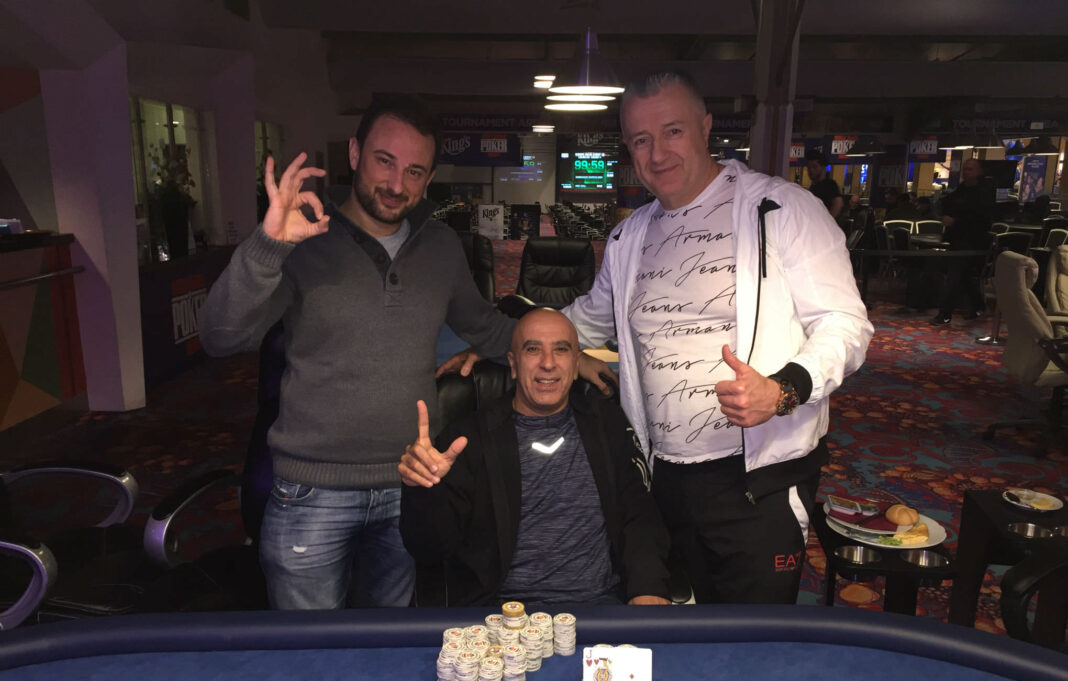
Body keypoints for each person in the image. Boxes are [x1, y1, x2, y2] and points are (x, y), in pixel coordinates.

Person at [561, 71, 873, 604]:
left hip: (758, 479)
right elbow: (589, 319)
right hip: (663, 476)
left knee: (753, 633)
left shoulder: (783, 209)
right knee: (674, 624)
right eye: (640, 140)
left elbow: (845, 324)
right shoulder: (628, 236)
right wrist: (503, 338)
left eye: (673, 131)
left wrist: (783, 389)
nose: (658, 153)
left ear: (705, 128)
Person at [199, 94, 515, 610]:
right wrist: (267, 246)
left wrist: (574, 349)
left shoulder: (441, 246)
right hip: (311, 493)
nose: (396, 184)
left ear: (429, 179)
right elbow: (220, 337)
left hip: (409, 485)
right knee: (310, 652)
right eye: (384, 161)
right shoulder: (304, 239)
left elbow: (487, 328)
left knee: (388, 647)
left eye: (414, 171)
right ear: (353, 153)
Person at [398, 309, 672, 606]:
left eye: (561, 349)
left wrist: (649, 587)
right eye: (533, 350)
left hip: (599, 608)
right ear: (513, 364)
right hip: (501, 618)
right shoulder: (466, 439)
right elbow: (429, 548)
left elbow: (638, 516)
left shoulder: (607, 425)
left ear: (576, 364)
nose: (548, 363)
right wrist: (424, 488)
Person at [930, 158, 995, 326]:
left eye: (970, 169)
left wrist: (956, 222)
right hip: (957, 239)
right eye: (965, 169)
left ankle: (945, 314)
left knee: (955, 276)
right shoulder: (961, 189)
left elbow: (982, 220)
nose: (966, 172)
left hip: (973, 242)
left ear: (979, 171)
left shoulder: (984, 193)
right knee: (963, 277)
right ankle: (978, 306)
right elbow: (948, 205)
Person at [805, 150, 843, 218]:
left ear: (822, 167)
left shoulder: (830, 185)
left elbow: (838, 203)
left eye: (814, 167)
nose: (811, 170)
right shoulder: (813, 187)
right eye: (809, 167)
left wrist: (828, 220)